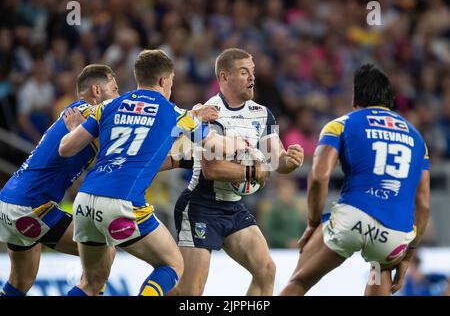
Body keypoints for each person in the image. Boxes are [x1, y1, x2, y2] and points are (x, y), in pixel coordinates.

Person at [58, 49, 247, 296]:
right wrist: (244, 145)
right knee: (172, 264)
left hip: (85, 201)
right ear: (163, 80)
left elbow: (66, 148)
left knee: (90, 284)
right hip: (123, 203)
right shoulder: (175, 114)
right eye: (171, 82)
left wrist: (75, 128)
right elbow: (216, 146)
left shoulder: (108, 106)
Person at [280, 64, 430, 296]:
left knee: (299, 282)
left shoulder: (341, 124)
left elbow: (319, 177)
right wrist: (408, 255)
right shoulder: (417, 139)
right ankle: (382, 262)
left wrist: (313, 223)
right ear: (389, 100)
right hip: (393, 236)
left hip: (351, 221)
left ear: (355, 99)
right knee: (379, 266)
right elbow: (424, 203)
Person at [170, 48, 304, 296]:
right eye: (244, 72)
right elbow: (211, 169)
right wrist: (254, 171)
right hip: (201, 206)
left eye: (252, 72)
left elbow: (277, 160)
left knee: (266, 270)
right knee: (189, 292)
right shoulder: (208, 113)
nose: (252, 77)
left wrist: (291, 160)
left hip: (233, 207)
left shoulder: (263, 114)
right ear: (224, 77)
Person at [0, 64, 119, 296]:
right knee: (104, 251)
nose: (118, 96)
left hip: (8, 201)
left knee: (20, 282)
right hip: (31, 205)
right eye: (114, 89)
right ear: (97, 90)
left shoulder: (76, 114)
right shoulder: (90, 114)